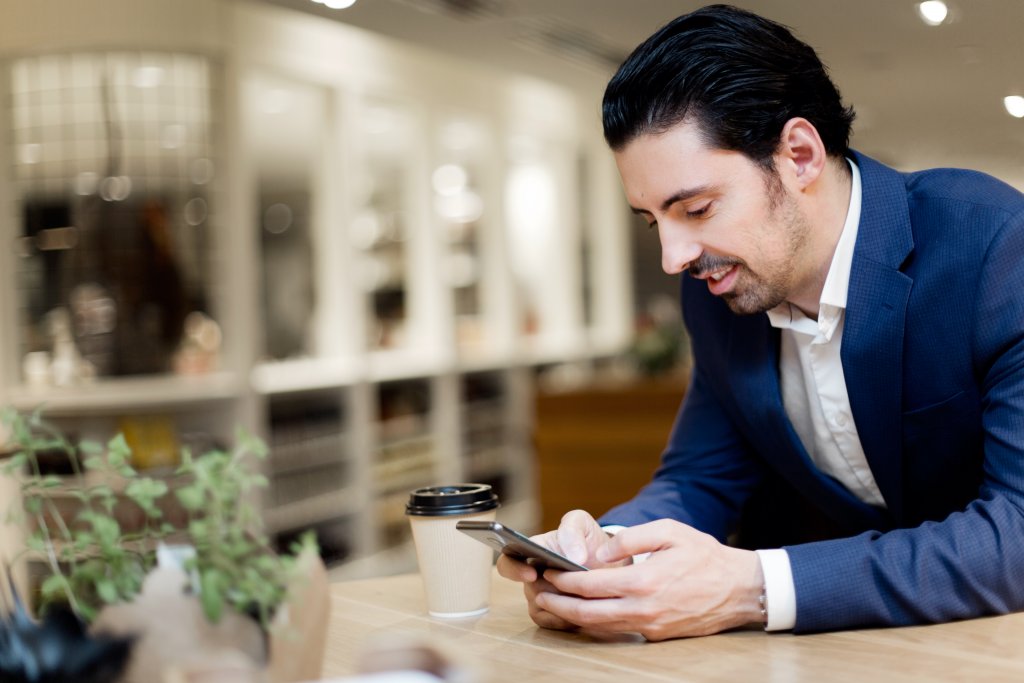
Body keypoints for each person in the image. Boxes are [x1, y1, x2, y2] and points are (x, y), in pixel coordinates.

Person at [497, 3, 1024, 638]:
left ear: (799, 155)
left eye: (695, 208)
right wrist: (607, 552)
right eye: (652, 221)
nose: (673, 258)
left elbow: (1017, 532)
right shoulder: (721, 290)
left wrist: (753, 589)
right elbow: (701, 477)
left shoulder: (996, 247)